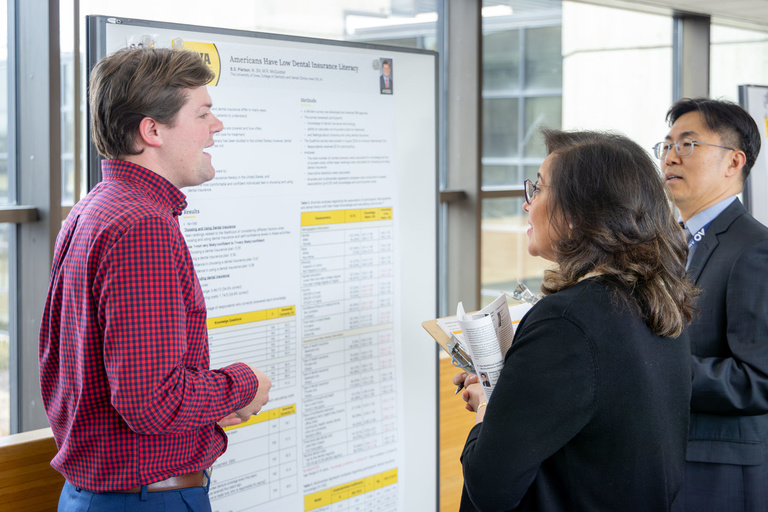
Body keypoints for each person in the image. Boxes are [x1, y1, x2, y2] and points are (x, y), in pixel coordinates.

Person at [39, 47, 271, 511]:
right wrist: (244, 384)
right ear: (152, 130)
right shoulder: (141, 226)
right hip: (146, 500)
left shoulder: (96, 208)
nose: (217, 125)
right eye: (203, 113)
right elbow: (152, 402)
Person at [454, 129, 696, 511]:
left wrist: (488, 407)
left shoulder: (567, 321)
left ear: (579, 213)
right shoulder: (655, 297)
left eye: (539, 188)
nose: (526, 204)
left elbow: (490, 487)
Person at [658, 98, 768, 512]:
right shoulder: (670, 243)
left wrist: (650, 365)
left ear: (733, 162)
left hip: (717, 472)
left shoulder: (756, 249)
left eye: (688, 145)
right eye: (666, 146)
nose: (670, 157)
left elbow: (757, 379)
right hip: (666, 460)